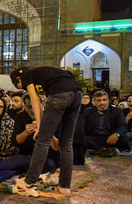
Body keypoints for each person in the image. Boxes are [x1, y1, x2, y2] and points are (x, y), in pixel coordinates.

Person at [10, 66, 82, 197]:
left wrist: (39, 125)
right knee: (66, 143)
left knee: (42, 140)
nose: (22, 88)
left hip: (60, 94)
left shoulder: (26, 74)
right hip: (77, 94)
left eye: (19, 85)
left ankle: (28, 182)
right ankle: (64, 186)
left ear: (18, 78)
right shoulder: (44, 73)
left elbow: (35, 99)